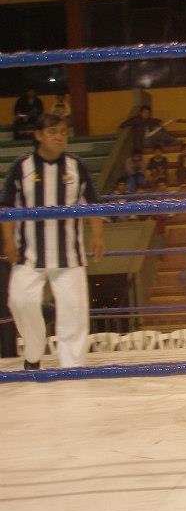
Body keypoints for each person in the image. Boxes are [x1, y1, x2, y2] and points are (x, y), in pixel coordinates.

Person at [1, 113, 104, 369]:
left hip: (69, 255)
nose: (59, 136)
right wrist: (9, 241)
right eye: (52, 131)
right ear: (38, 135)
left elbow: (92, 203)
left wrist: (98, 237)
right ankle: (34, 352)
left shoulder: (75, 166)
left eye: (62, 132)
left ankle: (72, 367)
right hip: (29, 253)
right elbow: (6, 208)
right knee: (19, 300)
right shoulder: (22, 166)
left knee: (74, 312)